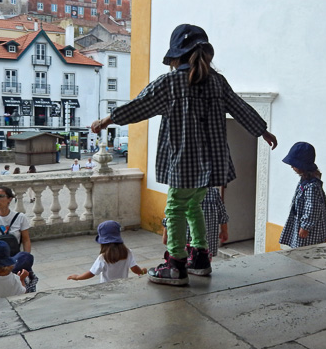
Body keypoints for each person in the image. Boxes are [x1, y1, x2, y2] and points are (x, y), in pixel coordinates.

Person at [91, 24, 277, 286]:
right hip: (210, 165)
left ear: (176, 56)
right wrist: (263, 131)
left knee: (176, 208)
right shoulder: (217, 82)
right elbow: (240, 107)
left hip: (182, 162)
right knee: (193, 206)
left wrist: (106, 120)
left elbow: (139, 106)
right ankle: (200, 259)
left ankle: (176, 264)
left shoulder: (170, 83)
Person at [161, 186, 229, 270]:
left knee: (182, 259)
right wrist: (224, 230)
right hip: (206, 242)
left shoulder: (183, 191)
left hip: (186, 239)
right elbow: (222, 213)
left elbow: (172, 215)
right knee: (202, 260)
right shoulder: (213, 191)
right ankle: (201, 266)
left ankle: (177, 269)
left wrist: (166, 233)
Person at [279, 142, 326, 248]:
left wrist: (305, 226)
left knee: (306, 250)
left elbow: (313, 208)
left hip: (309, 230)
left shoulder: (312, 186)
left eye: (294, 164)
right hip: (301, 223)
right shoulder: (305, 181)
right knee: (299, 248)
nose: (292, 166)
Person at [67, 220, 148, 283]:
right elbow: (134, 268)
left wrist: (77, 277)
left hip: (106, 288)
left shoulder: (103, 257)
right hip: (123, 286)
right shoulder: (127, 252)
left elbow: (92, 273)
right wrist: (142, 271)